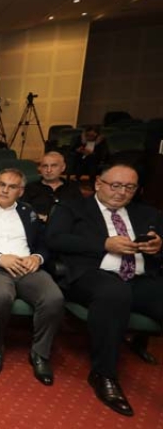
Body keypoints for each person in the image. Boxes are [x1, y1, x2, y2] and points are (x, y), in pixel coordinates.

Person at [46, 163, 163, 416]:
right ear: (98, 183)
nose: (122, 192)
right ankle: (104, 374)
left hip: (140, 277)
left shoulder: (148, 213)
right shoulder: (72, 208)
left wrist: (158, 247)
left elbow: (158, 246)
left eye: (130, 187)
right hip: (92, 275)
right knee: (115, 293)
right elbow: (54, 239)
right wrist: (104, 244)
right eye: (116, 185)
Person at [0, 168, 64, 386]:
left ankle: (40, 353)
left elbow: (44, 243)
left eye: (12, 186)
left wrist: (37, 258)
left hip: (27, 268)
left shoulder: (28, 212)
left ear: (21, 191)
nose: (5, 190)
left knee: (53, 298)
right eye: (1, 185)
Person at [22, 151, 83, 222]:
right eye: (45, 166)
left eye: (54, 166)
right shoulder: (30, 188)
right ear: (40, 168)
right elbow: (23, 212)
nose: (49, 170)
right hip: (38, 226)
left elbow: (81, 213)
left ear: (63, 167)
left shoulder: (72, 188)